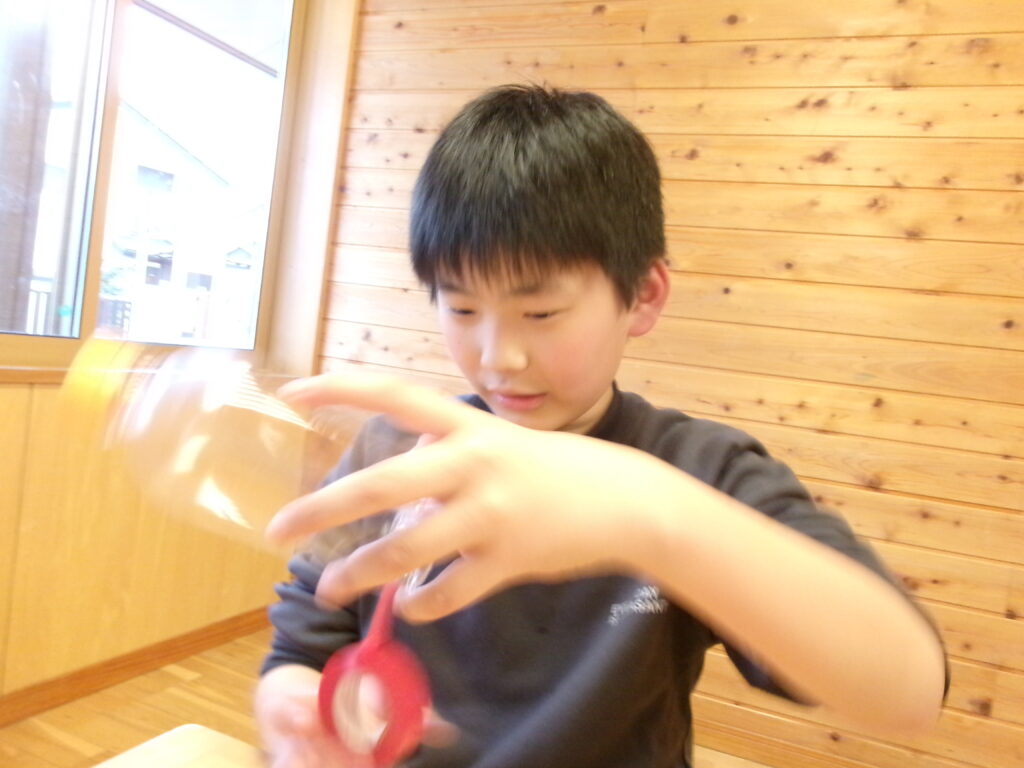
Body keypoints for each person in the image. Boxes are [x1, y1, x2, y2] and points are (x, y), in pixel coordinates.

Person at [255, 84, 947, 768]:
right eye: (462, 309)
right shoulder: (398, 456)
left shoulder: (697, 468)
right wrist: (291, 707)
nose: (499, 357)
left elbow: (908, 691)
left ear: (642, 296)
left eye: (541, 313)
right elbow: (301, 647)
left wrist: (645, 517)